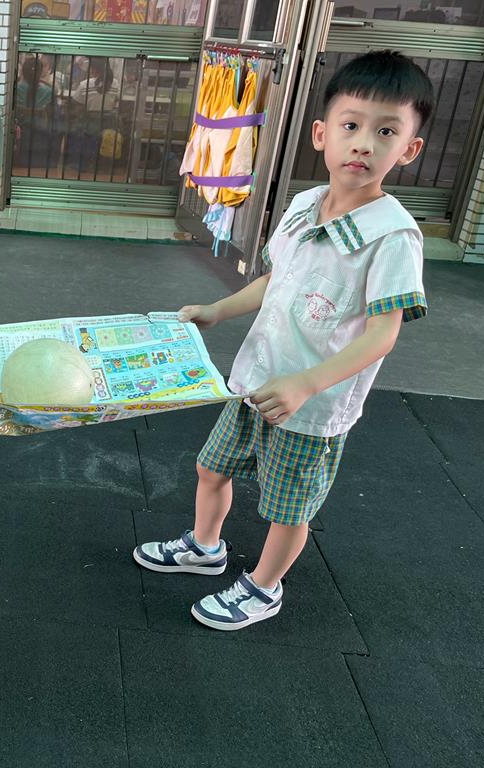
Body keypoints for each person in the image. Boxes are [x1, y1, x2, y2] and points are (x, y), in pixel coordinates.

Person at [134, 50, 433, 631]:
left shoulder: (394, 237)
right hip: (254, 382)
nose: (363, 144)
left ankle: (263, 587)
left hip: (310, 407)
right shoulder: (301, 206)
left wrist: (306, 384)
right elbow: (275, 280)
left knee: (288, 508)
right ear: (321, 134)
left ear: (409, 149)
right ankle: (205, 546)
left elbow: (383, 335)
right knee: (211, 468)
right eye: (351, 125)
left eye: (385, 132)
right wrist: (218, 310)